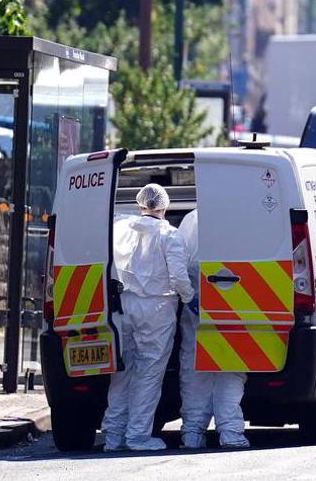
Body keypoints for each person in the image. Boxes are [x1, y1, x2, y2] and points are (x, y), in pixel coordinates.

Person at [101, 184, 193, 452]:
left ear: (141, 204)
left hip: (125, 305)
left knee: (123, 372)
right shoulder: (170, 235)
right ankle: (138, 436)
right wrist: (189, 298)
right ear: (164, 207)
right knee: (149, 373)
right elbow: (177, 276)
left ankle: (114, 436)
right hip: (157, 308)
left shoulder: (122, 229)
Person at [177, 209, 250, 450]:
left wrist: (189, 297)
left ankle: (192, 434)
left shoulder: (192, 219)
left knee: (195, 367)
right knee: (230, 366)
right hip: (236, 298)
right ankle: (230, 433)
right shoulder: (244, 216)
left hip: (197, 299)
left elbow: (180, 262)